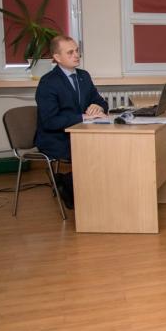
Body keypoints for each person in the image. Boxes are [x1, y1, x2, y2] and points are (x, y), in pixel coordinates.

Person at [35, 35, 109, 210]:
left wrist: (98, 106)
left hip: (82, 132)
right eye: (70, 52)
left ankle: (70, 182)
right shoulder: (48, 82)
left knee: (109, 146)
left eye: (77, 51)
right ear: (57, 57)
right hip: (56, 138)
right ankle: (69, 184)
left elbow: (101, 101)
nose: (76, 55)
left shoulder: (84, 76)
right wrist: (83, 117)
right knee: (98, 151)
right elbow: (50, 121)